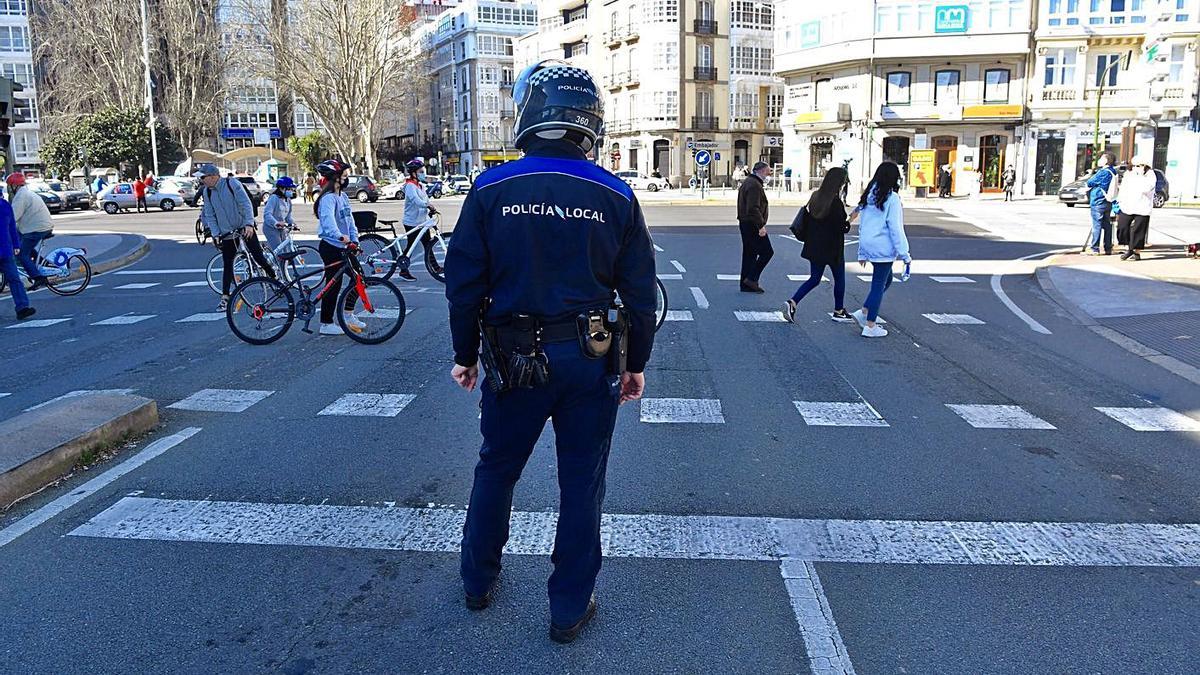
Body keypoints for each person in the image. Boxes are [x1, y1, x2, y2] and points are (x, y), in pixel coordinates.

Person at [445, 59, 656, 644]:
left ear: (526, 117)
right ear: (590, 122)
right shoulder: (615, 194)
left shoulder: (490, 188)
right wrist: (635, 362)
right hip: (589, 359)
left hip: (512, 361)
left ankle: (478, 580)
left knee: (497, 467)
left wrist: (465, 353)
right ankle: (568, 607)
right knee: (581, 482)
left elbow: (464, 283)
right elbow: (640, 293)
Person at [196, 164, 276, 311]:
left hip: (243, 227)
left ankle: (274, 279)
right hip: (227, 233)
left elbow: (245, 204)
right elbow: (210, 214)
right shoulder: (207, 192)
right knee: (228, 264)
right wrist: (215, 234)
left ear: (213, 176)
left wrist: (249, 224)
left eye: (203, 177)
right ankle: (225, 297)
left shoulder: (231, 184)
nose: (202, 181)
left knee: (258, 256)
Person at [781, 167, 853, 324]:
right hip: (833, 248)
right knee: (839, 278)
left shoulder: (815, 197)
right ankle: (838, 310)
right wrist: (851, 219)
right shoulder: (836, 203)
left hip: (815, 247)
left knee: (814, 278)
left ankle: (793, 302)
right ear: (839, 183)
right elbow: (841, 228)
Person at [853, 162, 911, 338]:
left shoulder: (870, 196)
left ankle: (864, 311)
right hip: (883, 245)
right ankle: (870, 324)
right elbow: (895, 228)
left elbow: (863, 224)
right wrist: (905, 254)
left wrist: (862, 252)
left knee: (886, 280)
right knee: (879, 283)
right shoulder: (891, 198)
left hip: (869, 243)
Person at [313, 158, 365, 336]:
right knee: (333, 285)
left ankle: (348, 314)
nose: (347, 178)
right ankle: (326, 323)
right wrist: (342, 238)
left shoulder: (342, 197)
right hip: (331, 246)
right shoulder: (327, 199)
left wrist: (354, 239)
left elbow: (350, 221)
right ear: (335, 177)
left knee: (360, 278)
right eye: (344, 175)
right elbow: (329, 224)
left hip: (344, 246)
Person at [8, 173, 53, 291]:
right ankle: (43, 264)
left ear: (14, 185)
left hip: (36, 229)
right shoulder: (26, 193)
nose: (9, 188)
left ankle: (37, 277)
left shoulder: (20, 196)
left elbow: (13, 217)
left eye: (10, 186)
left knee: (21, 254)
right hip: (39, 226)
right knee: (20, 240)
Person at [399, 158, 438, 283]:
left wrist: (430, 206)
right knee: (411, 246)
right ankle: (403, 270)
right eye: (421, 171)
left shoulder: (420, 186)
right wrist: (426, 206)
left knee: (428, 245)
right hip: (412, 222)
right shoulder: (410, 186)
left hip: (422, 221)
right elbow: (416, 201)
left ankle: (436, 268)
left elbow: (425, 200)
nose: (423, 173)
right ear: (414, 173)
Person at [737, 161, 774, 293]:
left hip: (745, 223)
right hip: (752, 224)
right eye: (768, 171)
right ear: (762, 171)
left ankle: (745, 284)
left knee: (750, 254)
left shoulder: (749, 182)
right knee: (767, 252)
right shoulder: (754, 185)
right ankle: (752, 279)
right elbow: (753, 208)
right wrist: (760, 226)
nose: (769, 174)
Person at [0, 194, 34, 320]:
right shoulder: (5, 206)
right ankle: (22, 307)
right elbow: (12, 228)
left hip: (5, 250)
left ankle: (22, 308)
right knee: (14, 279)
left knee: (14, 279)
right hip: (6, 250)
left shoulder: (5, 206)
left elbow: (12, 228)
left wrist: (16, 244)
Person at [1116, 157, 1156, 262]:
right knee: (1122, 227)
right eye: (1135, 165)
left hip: (1143, 206)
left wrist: (1141, 175)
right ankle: (1128, 248)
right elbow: (1124, 187)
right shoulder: (1129, 174)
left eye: (1140, 165)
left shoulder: (1150, 175)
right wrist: (1120, 200)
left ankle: (1136, 252)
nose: (1137, 168)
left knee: (1139, 230)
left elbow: (1147, 188)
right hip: (1128, 205)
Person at [1085, 152, 1118, 255]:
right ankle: (1108, 247)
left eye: (1101, 158)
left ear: (1106, 160)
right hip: (1108, 201)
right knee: (1106, 225)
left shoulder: (1103, 172)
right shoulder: (1113, 171)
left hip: (1098, 200)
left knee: (1097, 225)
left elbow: (1090, 182)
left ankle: (1095, 248)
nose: (1099, 160)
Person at [262, 176, 297, 257]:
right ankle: (277, 269)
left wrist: (293, 224)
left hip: (282, 229)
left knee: (286, 251)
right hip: (271, 229)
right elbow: (267, 214)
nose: (291, 191)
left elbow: (288, 216)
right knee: (280, 255)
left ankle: (283, 268)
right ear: (281, 189)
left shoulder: (288, 200)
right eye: (289, 189)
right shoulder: (274, 198)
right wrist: (276, 223)